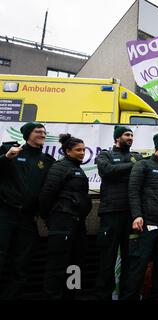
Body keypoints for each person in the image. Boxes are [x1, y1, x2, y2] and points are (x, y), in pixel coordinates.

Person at [122, 132, 158, 300]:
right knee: (137, 268)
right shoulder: (143, 165)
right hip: (147, 225)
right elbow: (133, 192)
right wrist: (137, 215)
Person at [0, 122, 55, 299]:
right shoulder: (10, 151)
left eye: (44, 132)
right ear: (27, 134)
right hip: (5, 213)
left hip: (28, 218)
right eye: (38, 131)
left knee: (21, 262)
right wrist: (6, 157)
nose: (42, 134)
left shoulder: (47, 161)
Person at [40, 134, 92, 300]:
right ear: (68, 151)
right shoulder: (60, 167)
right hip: (62, 222)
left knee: (76, 264)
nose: (82, 153)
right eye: (78, 150)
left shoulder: (77, 169)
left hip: (78, 223)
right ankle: (52, 296)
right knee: (57, 264)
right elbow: (46, 195)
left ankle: (72, 295)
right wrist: (51, 218)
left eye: (83, 149)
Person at [94, 126, 142, 300]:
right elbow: (107, 171)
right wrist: (131, 167)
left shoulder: (136, 156)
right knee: (107, 259)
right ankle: (103, 295)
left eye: (131, 135)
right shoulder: (104, 155)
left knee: (131, 259)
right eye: (126, 135)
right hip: (111, 213)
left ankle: (127, 296)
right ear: (117, 138)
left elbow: (138, 175)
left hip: (132, 214)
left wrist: (122, 170)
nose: (130, 138)